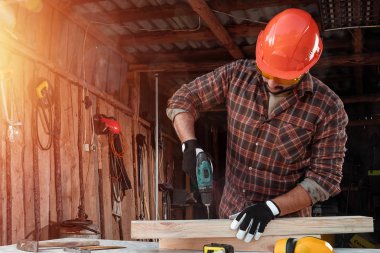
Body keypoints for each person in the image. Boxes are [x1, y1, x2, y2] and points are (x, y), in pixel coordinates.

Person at [166, 8, 348, 243]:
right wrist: (189, 144)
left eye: (285, 77)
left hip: (284, 229)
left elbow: (325, 179)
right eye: (267, 72)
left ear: (306, 67)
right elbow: (183, 99)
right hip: (231, 218)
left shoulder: (328, 107)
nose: (272, 83)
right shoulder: (237, 75)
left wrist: (271, 208)